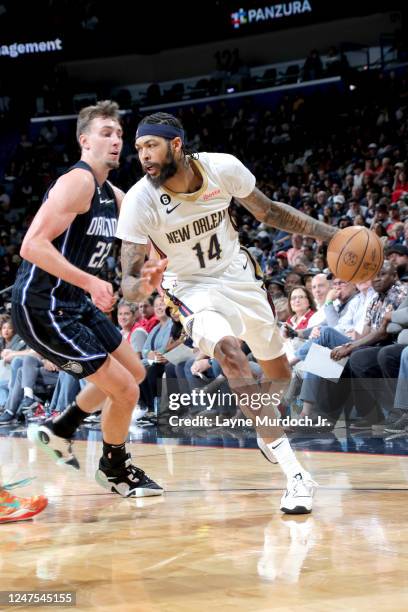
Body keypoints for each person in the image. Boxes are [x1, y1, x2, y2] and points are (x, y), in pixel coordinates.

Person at [116, 112, 338, 514]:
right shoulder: (139, 200)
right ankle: (296, 475)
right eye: (139, 149)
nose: (143, 156)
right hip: (190, 289)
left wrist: (333, 235)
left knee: (280, 376)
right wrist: (142, 285)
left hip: (240, 276)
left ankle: (265, 428)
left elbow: (271, 212)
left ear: (177, 145)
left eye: (151, 146)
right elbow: (128, 282)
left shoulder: (222, 167)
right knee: (231, 353)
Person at [11, 101, 166, 498]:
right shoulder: (76, 183)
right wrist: (92, 282)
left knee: (135, 373)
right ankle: (115, 470)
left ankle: (60, 428)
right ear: (85, 141)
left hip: (74, 304)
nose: (116, 141)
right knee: (126, 391)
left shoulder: (112, 194)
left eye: (118, 134)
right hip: (43, 306)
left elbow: (142, 248)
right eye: (105, 133)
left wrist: (154, 269)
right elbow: (31, 245)